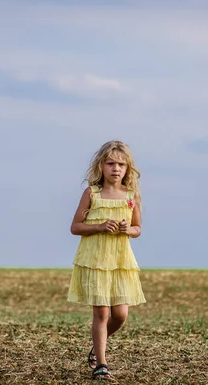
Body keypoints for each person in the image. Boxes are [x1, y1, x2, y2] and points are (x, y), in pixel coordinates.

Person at [67, 140, 146, 380]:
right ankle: (101, 364)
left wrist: (126, 230)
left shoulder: (131, 196)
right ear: (101, 166)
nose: (116, 169)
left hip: (121, 261)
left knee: (120, 315)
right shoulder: (92, 193)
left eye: (121, 164)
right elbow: (75, 227)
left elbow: (138, 228)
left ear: (127, 168)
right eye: (111, 163)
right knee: (101, 313)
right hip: (95, 259)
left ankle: (97, 345)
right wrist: (100, 226)